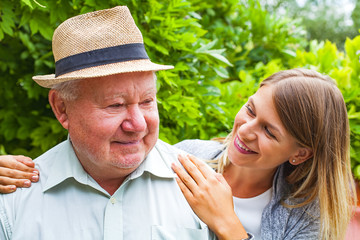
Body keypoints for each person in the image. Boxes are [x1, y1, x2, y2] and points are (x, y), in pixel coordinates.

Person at [0, 6, 218, 239]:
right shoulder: (14, 200)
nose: (138, 125)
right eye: (115, 105)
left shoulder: (204, 188)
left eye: (146, 101)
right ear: (62, 108)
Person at [171, 69, 357, 240]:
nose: (244, 131)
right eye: (250, 110)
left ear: (300, 154)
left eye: (269, 131)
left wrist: (227, 223)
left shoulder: (308, 218)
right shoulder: (186, 156)